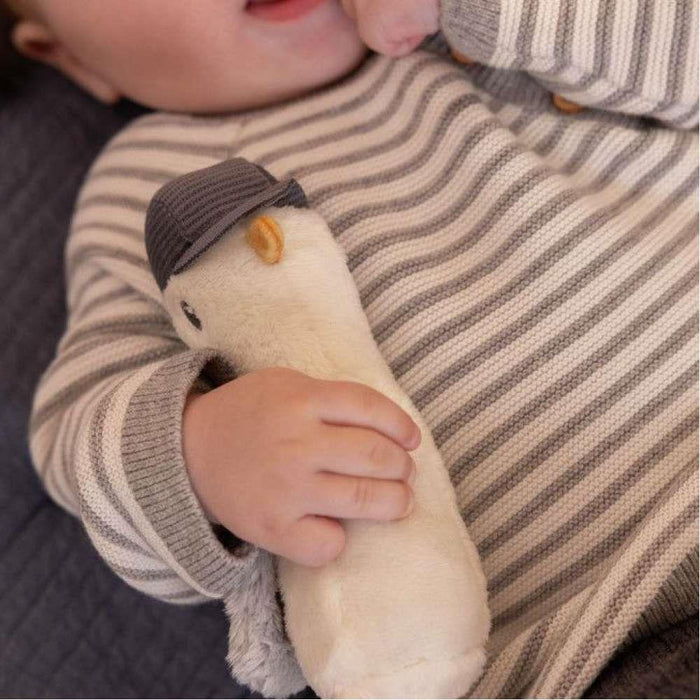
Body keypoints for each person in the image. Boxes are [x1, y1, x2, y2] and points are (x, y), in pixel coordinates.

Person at [11, 0, 698, 696]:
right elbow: (81, 427)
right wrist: (202, 451)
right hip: (591, 644)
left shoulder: (505, 24)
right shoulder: (147, 188)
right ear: (70, 57)